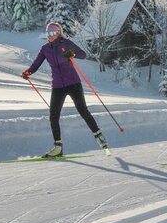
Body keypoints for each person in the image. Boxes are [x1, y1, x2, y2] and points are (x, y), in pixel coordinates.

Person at [22, 22, 109, 157]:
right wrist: (28, 72)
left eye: (52, 33)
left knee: (83, 110)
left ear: (58, 33)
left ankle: (99, 136)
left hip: (73, 83)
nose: (49, 36)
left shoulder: (66, 43)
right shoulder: (45, 49)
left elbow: (83, 54)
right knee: (53, 116)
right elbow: (36, 63)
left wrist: (72, 54)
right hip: (58, 86)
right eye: (47, 33)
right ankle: (58, 147)